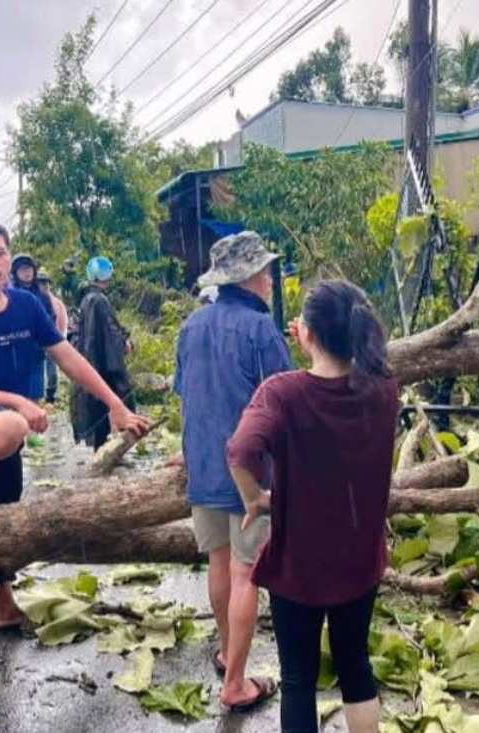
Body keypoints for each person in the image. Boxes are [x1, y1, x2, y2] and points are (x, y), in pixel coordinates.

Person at [0, 220, 151, 631]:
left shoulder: (27, 306)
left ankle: (4, 608)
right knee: (12, 427)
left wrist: (115, 404)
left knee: (1, 510)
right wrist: (17, 401)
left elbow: (68, 357)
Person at [227, 280, 397, 733]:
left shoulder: (283, 392)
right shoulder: (383, 387)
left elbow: (241, 449)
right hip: (359, 556)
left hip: (299, 565)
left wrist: (256, 501)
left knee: (299, 679)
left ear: (307, 334)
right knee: (356, 665)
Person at [172, 232, 292, 712]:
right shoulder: (261, 331)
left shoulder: (192, 325)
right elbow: (283, 403)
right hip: (251, 472)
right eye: (263, 272)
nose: (268, 279)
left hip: (204, 463)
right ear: (248, 278)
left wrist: (188, 451)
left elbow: (186, 395)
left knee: (219, 565)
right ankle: (236, 683)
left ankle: (227, 651)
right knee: (246, 574)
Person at [70, 256, 134, 450]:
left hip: (91, 358)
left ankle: (102, 446)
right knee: (109, 400)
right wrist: (123, 343)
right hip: (103, 360)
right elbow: (109, 333)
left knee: (98, 401)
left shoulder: (86, 298)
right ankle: (105, 448)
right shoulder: (98, 300)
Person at [9, 253, 55, 403]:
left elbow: (50, 320)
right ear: (15, 273)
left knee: (35, 397)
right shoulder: (9, 295)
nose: (27, 272)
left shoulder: (42, 296)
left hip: (37, 354)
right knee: (17, 399)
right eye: (22, 269)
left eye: (29, 269)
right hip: (15, 355)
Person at [37, 274, 70, 408]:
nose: (45, 285)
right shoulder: (32, 300)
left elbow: (63, 321)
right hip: (36, 344)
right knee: (38, 371)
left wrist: (60, 339)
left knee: (52, 372)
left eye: (46, 282)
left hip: (52, 342)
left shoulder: (56, 302)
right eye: (42, 282)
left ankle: (50, 397)